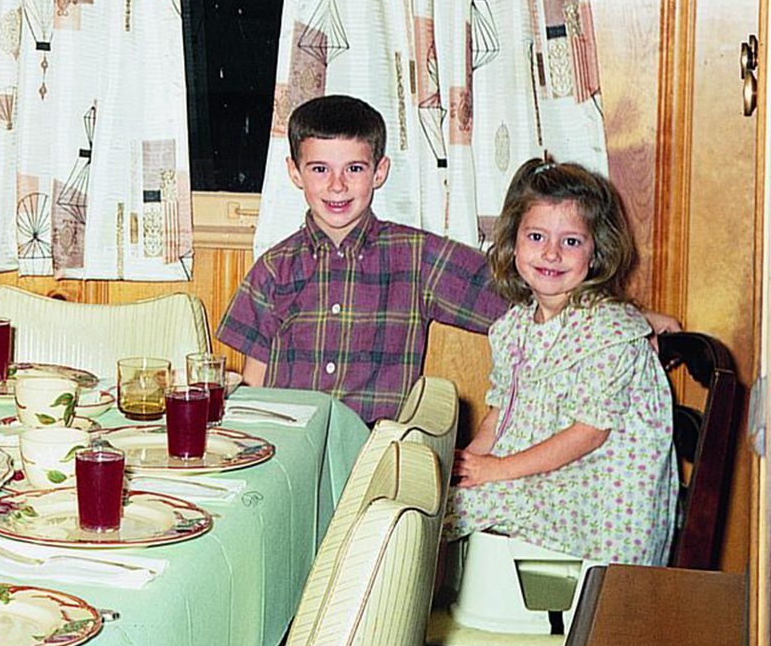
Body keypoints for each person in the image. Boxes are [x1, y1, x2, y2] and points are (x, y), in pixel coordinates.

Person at [217, 95, 506, 425]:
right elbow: (255, 385)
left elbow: (521, 302)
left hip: (376, 448)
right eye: (320, 169)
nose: (337, 186)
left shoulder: (417, 257)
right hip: (293, 443)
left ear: (379, 172)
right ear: (295, 172)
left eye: (354, 169)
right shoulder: (273, 268)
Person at [445, 157, 677, 565]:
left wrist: (496, 470)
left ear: (596, 251)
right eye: (536, 236)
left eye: (570, 242)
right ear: (513, 242)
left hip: (594, 497)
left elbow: (589, 434)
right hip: (544, 474)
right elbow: (501, 414)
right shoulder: (514, 327)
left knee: (446, 514)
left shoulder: (607, 332)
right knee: (439, 504)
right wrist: (471, 463)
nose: (551, 253)